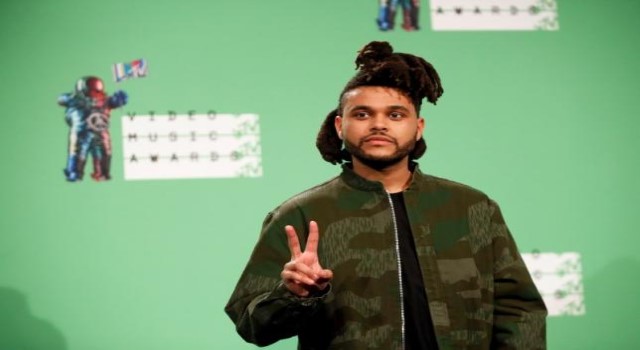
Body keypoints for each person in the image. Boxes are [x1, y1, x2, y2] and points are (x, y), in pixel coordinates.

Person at [225, 41, 547, 349]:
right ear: (340, 125)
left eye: (395, 115)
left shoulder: (473, 207)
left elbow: (518, 310)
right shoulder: (301, 214)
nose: (378, 124)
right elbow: (251, 324)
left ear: (418, 126)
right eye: (362, 114)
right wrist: (294, 295)